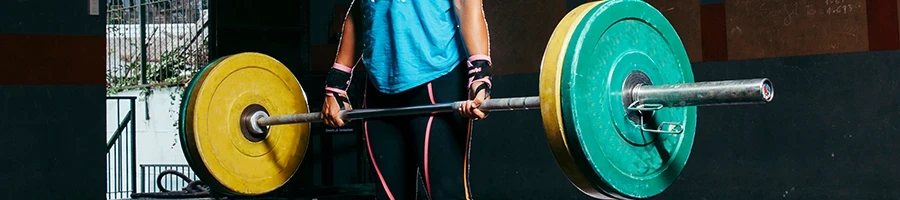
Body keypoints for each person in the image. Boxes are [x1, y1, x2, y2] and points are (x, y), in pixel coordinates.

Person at [320, 0, 492, 199]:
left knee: (446, 194)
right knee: (389, 195)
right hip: (380, 83)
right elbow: (360, 9)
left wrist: (480, 74)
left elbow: (466, 4)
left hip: (437, 77)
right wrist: (337, 83)